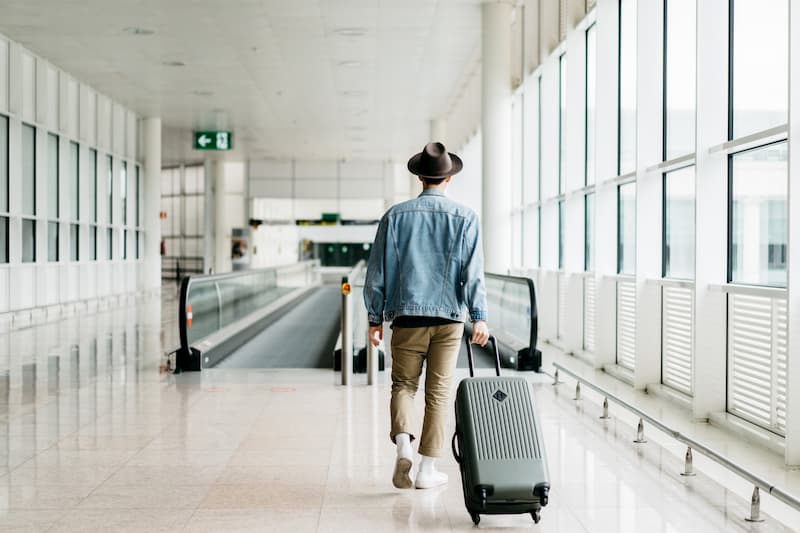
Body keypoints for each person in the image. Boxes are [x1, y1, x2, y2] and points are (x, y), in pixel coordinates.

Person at [364, 142, 489, 490]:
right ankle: (426, 470)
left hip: (406, 318)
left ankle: (403, 443)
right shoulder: (466, 218)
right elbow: (473, 273)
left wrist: (375, 318)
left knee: (403, 385)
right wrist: (479, 315)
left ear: (420, 177)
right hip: (449, 319)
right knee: (439, 392)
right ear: (447, 178)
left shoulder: (395, 216)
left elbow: (377, 273)